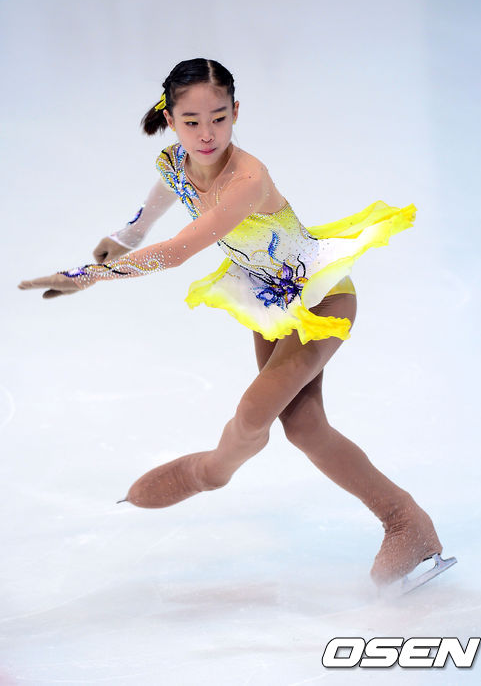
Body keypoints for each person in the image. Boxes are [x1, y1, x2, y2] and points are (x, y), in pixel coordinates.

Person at [18, 58, 455, 593]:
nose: (207, 134)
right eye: (192, 121)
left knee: (253, 413)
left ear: (236, 112)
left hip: (321, 299)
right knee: (303, 426)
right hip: (270, 303)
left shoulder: (247, 179)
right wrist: (125, 238)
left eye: (219, 118)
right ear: (171, 119)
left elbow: (178, 252)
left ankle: (213, 473)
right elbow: (157, 204)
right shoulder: (174, 162)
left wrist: (86, 275)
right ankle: (409, 527)